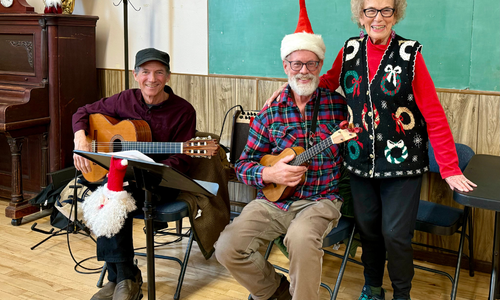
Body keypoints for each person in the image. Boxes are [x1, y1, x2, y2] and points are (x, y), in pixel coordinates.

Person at [266, 1, 476, 299]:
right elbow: (325, 83)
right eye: (370, 11)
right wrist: (288, 88)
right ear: (360, 15)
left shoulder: (410, 54)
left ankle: (402, 294)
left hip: (402, 163)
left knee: (396, 236)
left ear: (396, 13)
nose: (378, 18)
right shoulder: (350, 49)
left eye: (386, 10)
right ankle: (372, 288)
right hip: (359, 161)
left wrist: (449, 166)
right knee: (370, 232)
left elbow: (433, 112)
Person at [214, 2, 348, 300]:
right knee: (227, 246)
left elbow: (360, 140)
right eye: (296, 64)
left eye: (311, 64)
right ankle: (275, 290)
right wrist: (269, 172)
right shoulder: (269, 113)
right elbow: (242, 165)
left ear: (320, 66)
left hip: (320, 200)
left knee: (300, 240)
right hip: (272, 203)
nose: (303, 71)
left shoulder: (338, 107)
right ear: (285, 66)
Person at [72, 48, 196, 300]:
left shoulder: (183, 111)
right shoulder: (123, 100)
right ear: (135, 75)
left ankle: (121, 278)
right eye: (146, 72)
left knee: (115, 197)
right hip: (121, 181)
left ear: (168, 77)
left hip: (159, 183)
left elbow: (183, 158)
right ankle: (123, 278)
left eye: (159, 72)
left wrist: (149, 171)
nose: (152, 79)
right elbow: (82, 112)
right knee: (110, 193)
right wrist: (80, 138)